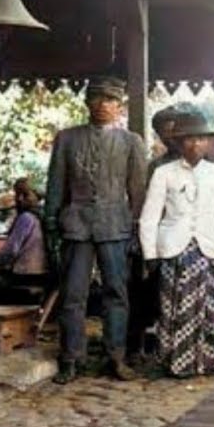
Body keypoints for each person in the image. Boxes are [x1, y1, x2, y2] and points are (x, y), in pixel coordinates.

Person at [45, 76, 148, 384]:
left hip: (116, 225)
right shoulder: (67, 138)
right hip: (76, 224)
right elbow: (56, 184)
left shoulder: (132, 142)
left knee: (116, 293)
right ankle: (71, 358)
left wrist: (138, 229)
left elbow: (138, 192)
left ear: (120, 106)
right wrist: (50, 221)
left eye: (110, 100)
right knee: (72, 294)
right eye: (97, 99)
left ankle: (115, 356)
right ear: (87, 103)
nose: (103, 105)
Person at [138, 108, 214, 378]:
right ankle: (175, 361)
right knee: (174, 306)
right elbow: (149, 217)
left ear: (208, 142)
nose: (195, 144)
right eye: (189, 139)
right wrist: (150, 253)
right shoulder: (164, 172)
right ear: (179, 142)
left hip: (207, 249)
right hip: (173, 249)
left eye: (201, 139)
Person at [0, 178, 48, 284]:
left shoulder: (26, 218)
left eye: (25, 195)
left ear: (37, 196)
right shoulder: (42, 217)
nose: (20, 199)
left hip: (24, 275)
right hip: (41, 274)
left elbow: (10, 250)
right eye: (17, 194)